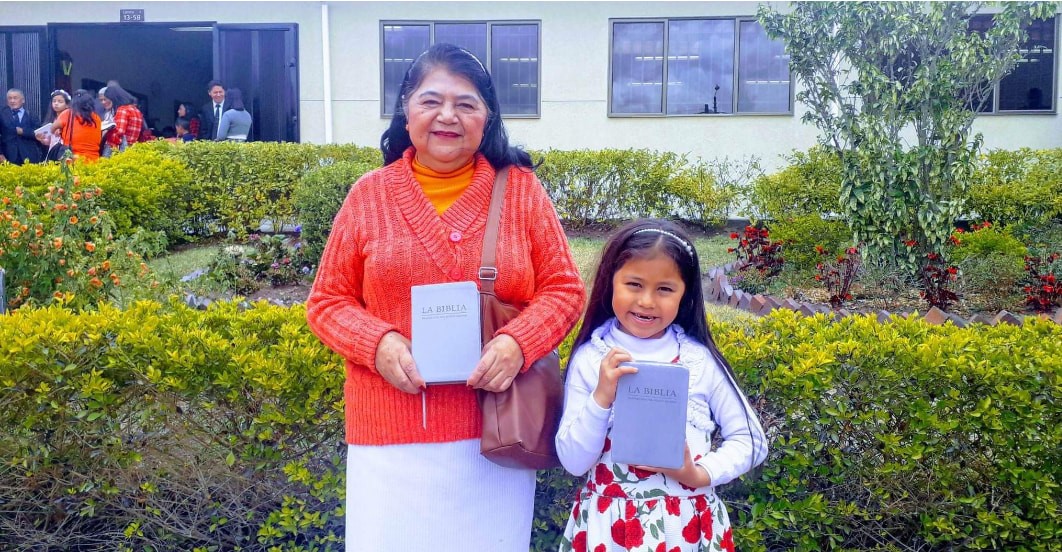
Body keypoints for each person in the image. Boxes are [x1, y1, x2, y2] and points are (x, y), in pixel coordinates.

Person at [305, 43, 586, 552]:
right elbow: (327, 301)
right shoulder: (368, 195)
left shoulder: (520, 191)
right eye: (431, 101)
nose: (448, 116)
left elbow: (564, 290)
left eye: (467, 103)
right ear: (406, 110)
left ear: (488, 117)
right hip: (389, 437)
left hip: (495, 434)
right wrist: (379, 344)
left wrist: (517, 343)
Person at [555, 218, 768, 552]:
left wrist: (698, 474)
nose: (646, 301)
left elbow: (752, 440)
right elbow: (573, 461)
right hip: (608, 529)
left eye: (665, 289)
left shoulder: (698, 361)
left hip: (684, 528)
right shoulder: (591, 358)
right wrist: (601, 398)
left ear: (685, 295)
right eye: (633, 284)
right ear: (611, 282)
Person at [52, 89, 102, 163]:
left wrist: (59, 130)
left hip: (72, 160)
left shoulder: (68, 114)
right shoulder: (97, 118)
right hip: (93, 160)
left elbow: (52, 129)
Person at [0, 88, 44, 165]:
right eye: (10, 98)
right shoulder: (2, 114)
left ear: (23, 100)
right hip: (8, 155)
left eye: (15, 98)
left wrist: (23, 131)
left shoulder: (31, 114)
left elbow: (39, 133)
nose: (12, 101)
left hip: (29, 155)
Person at [102, 83, 143, 155]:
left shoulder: (122, 110)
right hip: (130, 150)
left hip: (117, 151)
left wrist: (107, 135)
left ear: (113, 98)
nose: (104, 102)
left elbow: (119, 132)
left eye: (106, 99)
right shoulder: (136, 110)